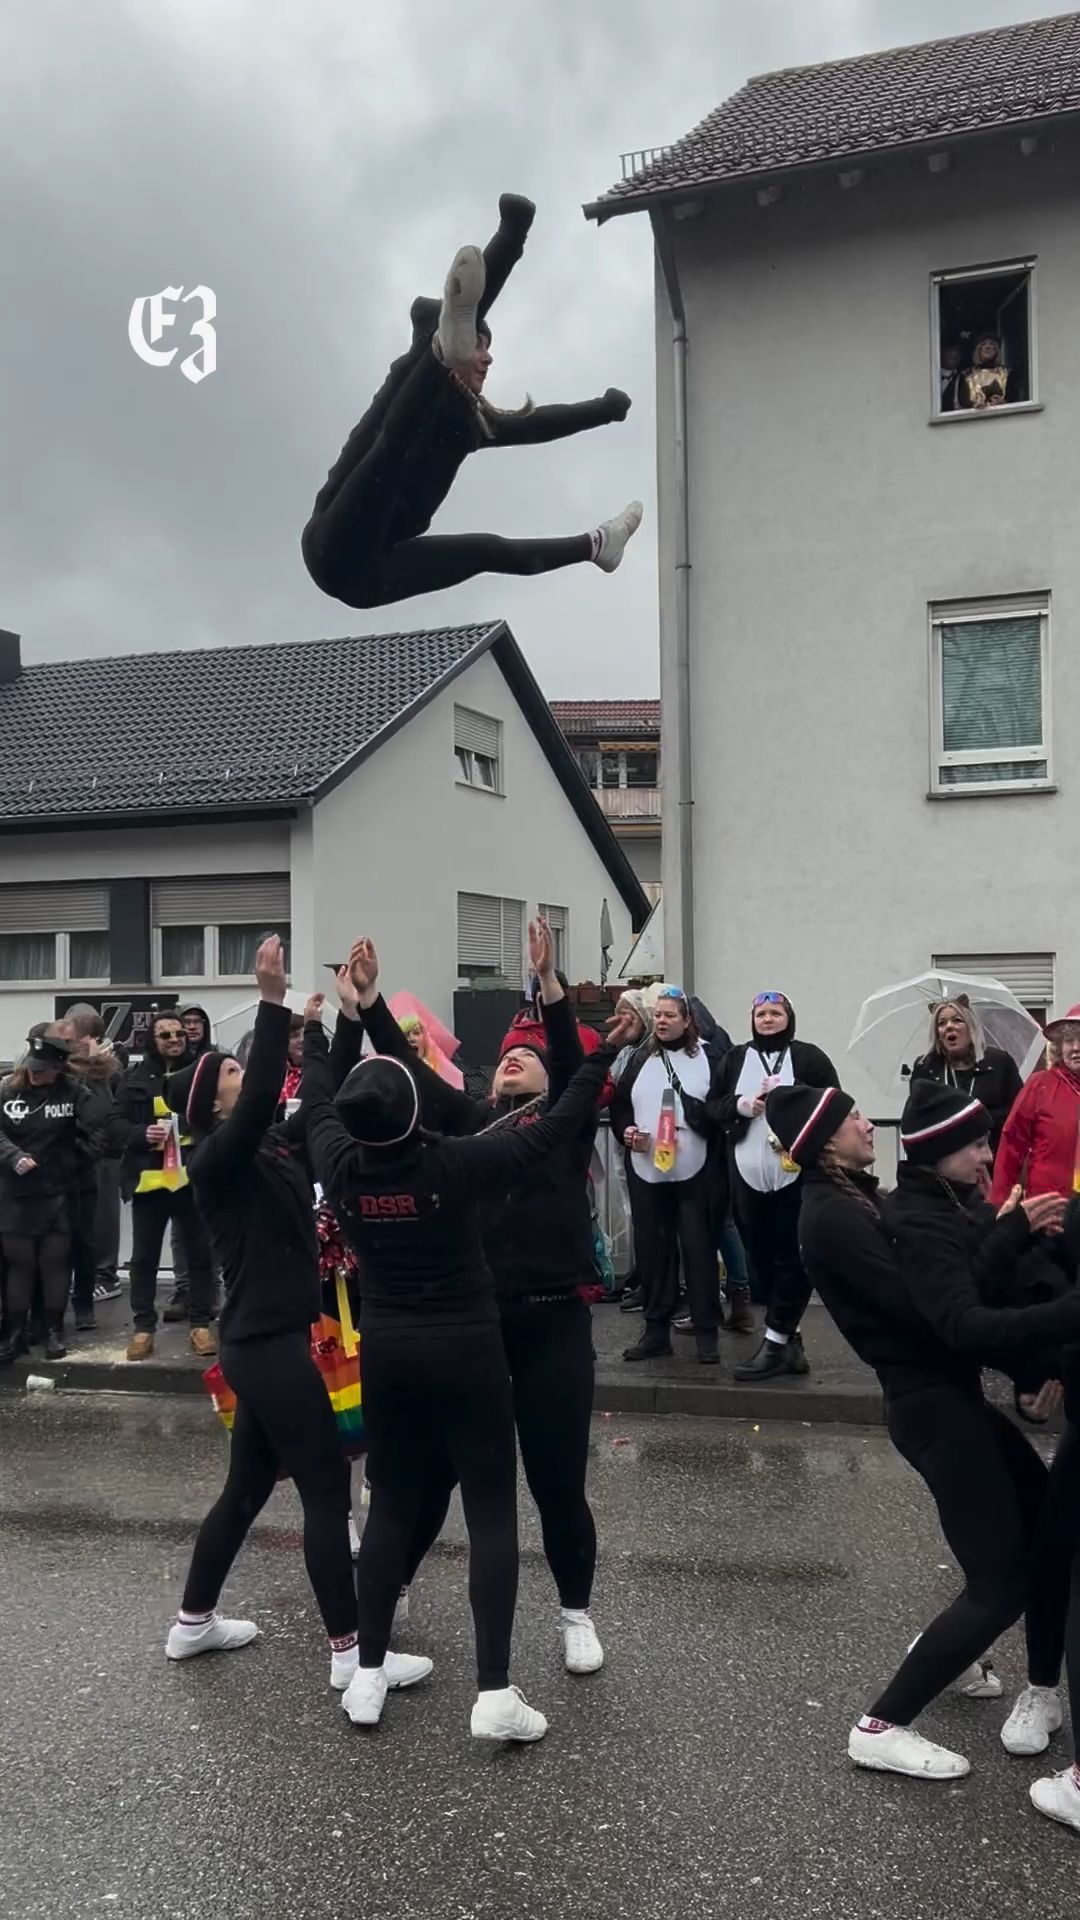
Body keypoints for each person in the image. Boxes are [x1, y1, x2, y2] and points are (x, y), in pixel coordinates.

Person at [301, 979, 627, 1740]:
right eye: (506, 1054)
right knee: (430, 1490)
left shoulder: (559, 1125)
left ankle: (574, 1613)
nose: (514, 1059)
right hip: (472, 1334)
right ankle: (410, 1625)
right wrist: (373, 1008)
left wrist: (556, 1001)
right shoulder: (470, 1135)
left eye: (529, 1055)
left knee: (555, 1482)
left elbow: (569, 1081)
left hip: (546, 1322)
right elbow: (407, 1078)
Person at [767, 1075, 1080, 1780]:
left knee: (1041, 1534)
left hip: (951, 1400)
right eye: (853, 1118)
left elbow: (950, 1287)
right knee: (1003, 1582)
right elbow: (935, 1316)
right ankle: (881, 1725)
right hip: (931, 1409)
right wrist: (1010, 1256)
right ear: (825, 1143)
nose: (866, 1125)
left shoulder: (858, 1200)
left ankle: (964, 1659)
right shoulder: (832, 1218)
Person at [161, 940, 432, 1705]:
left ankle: (192, 1623)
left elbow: (317, 1103)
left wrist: (339, 1021)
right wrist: (273, 999)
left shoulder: (272, 1151)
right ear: (213, 1102)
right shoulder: (217, 1159)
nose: (250, 1078)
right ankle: (350, 1655)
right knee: (323, 1492)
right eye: (235, 1072)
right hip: (264, 1347)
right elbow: (259, 1106)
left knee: (246, 1489)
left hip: (268, 1346)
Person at [300, 195, 642, 612]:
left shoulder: (470, 422)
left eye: (484, 347)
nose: (488, 358)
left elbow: (540, 425)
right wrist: (511, 237)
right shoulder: (408, 379)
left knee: (488, 551)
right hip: (333, 544)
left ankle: (598, 546)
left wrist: (603, 411)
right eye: (478, 346)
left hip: (376, 574)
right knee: (392, 448)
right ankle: (443, 351)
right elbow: (472, 302)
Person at [715, 992, 837, 1380]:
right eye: (761, 1014)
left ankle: (776, 1343)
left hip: (796, 1175)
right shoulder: (734, 1059)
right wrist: (741, 1105)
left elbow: (833, 1104)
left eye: (775, 1013)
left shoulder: (810, 1057)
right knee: (760, 1262)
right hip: (747, 1174)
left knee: (794, 1259)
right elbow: (711, 1106)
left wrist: (798, 1097)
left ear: (789, 1018)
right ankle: (788, 1340)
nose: (768, 1019)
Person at [609, 985, 726, 1365]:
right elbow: (620, 1105)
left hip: (697, 1171)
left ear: (687, 1020)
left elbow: (724, 1108)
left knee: (698, 1250)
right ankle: (656, 1331)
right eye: (657, 1015)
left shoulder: (711, 1057)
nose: (661, 1021)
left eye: (670, 1015)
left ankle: (706, 1333)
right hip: (648, 1169)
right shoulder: (640, 1058)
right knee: (653, 1252)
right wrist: (627, 1132)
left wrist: (699, 1117)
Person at [0, 1027, 115, 1363]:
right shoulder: (8, 1090)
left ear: (59, 1067)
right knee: (20, 1263)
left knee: (55, 1261)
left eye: (44, 1070)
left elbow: (103, 1126)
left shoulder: (73, 1091)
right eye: (33, 1068)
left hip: (58, 1190)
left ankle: (53, 1330)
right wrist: (12, 1156)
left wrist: (78, 1160)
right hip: (16, 1189)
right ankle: (16, 1332)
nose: (37, 1075)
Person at [118, 1011, 216, 1360]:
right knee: (143, 1259)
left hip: (192, 1180)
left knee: (200, 1255)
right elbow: (113, 1124)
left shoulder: (202, 1073)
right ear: (152, 1041)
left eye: (179, 1034)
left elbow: (220, 1116)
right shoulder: (133, 1079)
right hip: (150, 1184)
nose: (175, 1039)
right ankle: (143, 1328)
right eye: (165, 1035)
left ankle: (200, 1325)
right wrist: (140, 1134)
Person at [58, 1005, 127, 1332]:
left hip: (105, 1154)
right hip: (75, 1152)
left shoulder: (109, 1068)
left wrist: (96, 1064)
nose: (69, 1046)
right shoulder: (67, 1067)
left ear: (91, 1039)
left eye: (73, 1040)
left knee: (103, 1216)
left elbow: (105, 1109)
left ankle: (106, 1275)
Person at [992, 1003, 1080, 1206]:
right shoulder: (1040, 1084)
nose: (1076, 1047)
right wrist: (999, 1202)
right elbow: (1011, 1144)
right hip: (1046, 1210)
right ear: (1060, 1047)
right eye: (1069, 1040)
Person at [910, 996, 1023, 1155]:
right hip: (946, 1160)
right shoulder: (926, 1068)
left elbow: (1019, 1114)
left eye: (957, 1020)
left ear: (971, 1026)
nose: (949, 1027)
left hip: (993, 1156)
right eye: (941, 1023)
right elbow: (917, 1121)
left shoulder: (999, 1062)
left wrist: (980, 1120)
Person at [957, 332, 1015, 410]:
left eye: (992, 344)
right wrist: (974, 405)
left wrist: (1003, 403)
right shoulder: (967, 375)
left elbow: (1015, 400)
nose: (988, 347)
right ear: (978, 350)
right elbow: (961, 402)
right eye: (983, 344)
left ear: (997, 350)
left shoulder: (1007, 374)